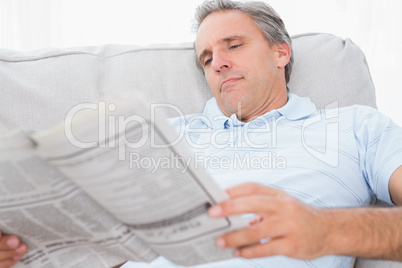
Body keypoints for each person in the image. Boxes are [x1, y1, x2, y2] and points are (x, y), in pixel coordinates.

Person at [1, 0, 401, 267]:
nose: (218, 64)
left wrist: (328, 230)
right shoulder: (162, 135)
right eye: (207, 58)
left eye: (234, 45)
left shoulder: (354, 127)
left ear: (281, 52)